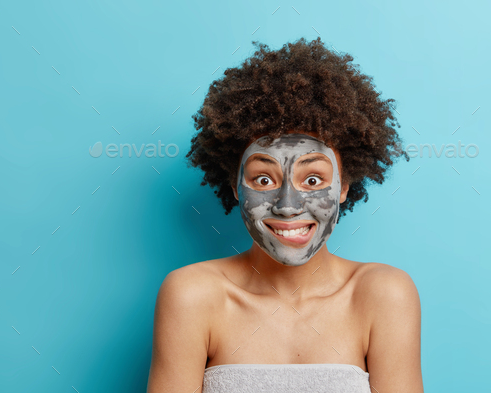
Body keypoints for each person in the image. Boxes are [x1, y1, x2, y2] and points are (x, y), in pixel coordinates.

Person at [147, 37, 423, 393]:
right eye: (263, 179)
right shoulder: (191, 296)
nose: (288, 205)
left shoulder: (382, 295)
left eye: (312, 179)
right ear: (236, 186)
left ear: (343, 186)